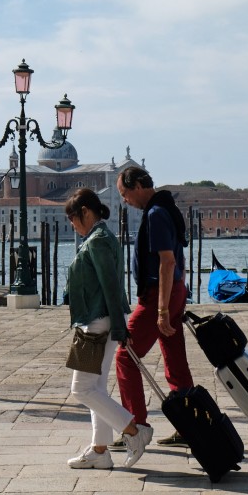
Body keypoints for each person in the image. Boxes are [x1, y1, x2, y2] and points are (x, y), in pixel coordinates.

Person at [63, 188, 151, 469]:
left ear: (86, 213)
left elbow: (111, 286)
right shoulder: (100, 237)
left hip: (99, 322)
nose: (72, 225)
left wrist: (119, 326)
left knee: (81, 389)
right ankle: (100, 451)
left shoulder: (99, 240)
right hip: (100, 319)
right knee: (96, 387)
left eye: (73, 219)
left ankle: (134, 431)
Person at [112, 166, 194, 449]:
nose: (125, 201)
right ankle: (188, 425)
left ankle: (135, 427)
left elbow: (167, 262)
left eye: (124, 194)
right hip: (175, 291)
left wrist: (160, 310)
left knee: (126, 355)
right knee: (174, 356)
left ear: (136, 186)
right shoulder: (165, 207)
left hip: (160, 295)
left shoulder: (156, 214)